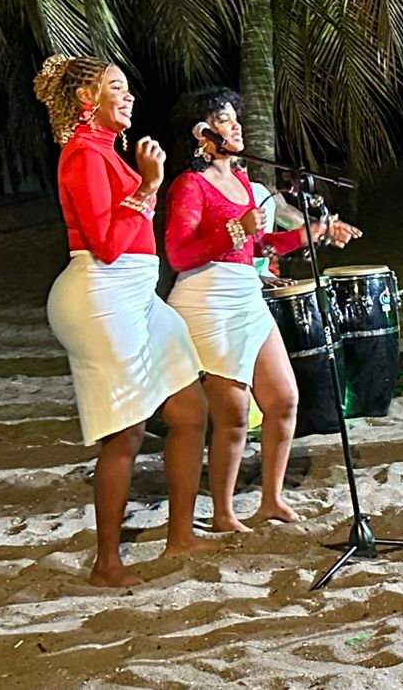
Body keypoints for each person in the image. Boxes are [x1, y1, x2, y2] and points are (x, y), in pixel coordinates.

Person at [33, 54, 216, 587]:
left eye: (128, 86)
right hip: (100, 296)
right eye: (117, 86)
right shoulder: (82, 154)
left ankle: (180, 535)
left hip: (137, 296)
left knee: (189, 410)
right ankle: (106, 563)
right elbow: (107, 245)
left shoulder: (107, 151)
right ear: (86, 99)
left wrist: (146, 183)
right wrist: (150, 185)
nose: (130, 95)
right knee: (126, 432)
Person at [164, 87, 362, 533]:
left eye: (236, 118)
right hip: (207, 302)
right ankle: (223, 513)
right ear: (201, 133)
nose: (236, 126)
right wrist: (235, 229)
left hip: (246, 295)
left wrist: (312, 233)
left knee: (284, 399)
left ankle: (271, 499)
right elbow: (178, 254)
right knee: (233, 416)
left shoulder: (242, 181)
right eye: (224, 119)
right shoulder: (189, 185)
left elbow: (258, 247)